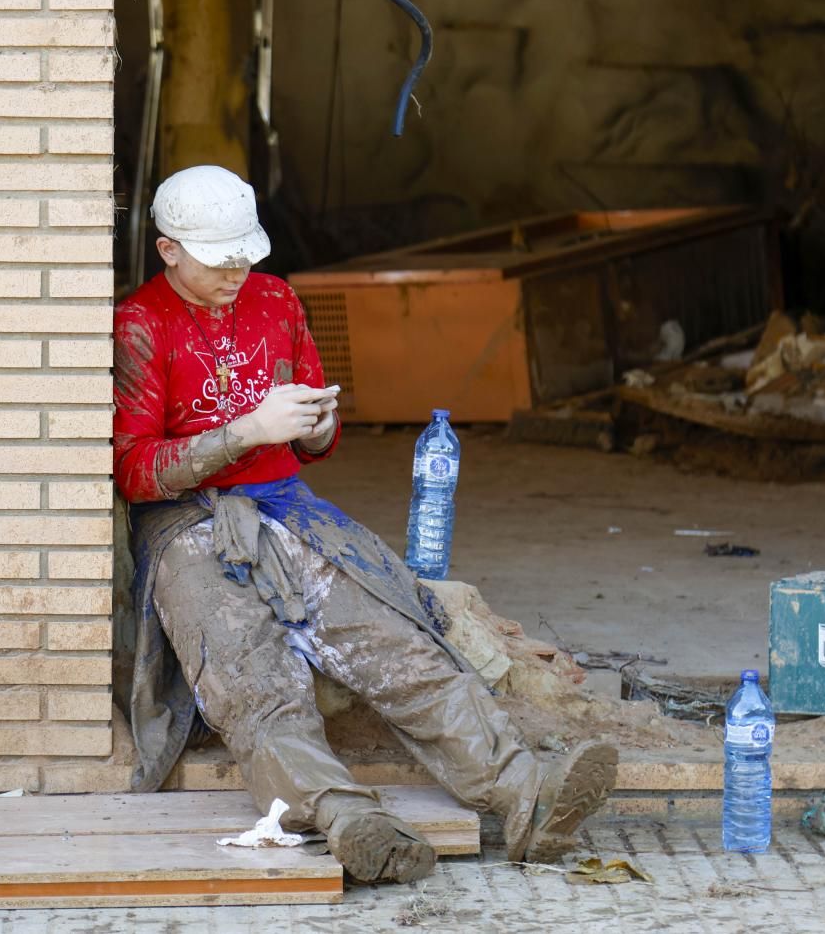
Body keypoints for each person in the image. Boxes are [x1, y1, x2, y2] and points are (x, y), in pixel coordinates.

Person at [114, 165, 618, 884]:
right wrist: (245, 430)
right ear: (168, 251)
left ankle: (528, 797)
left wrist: (316, 428)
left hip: (289, 508)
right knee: (256, 684)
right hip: (188, 528)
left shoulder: (276, 300)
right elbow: (134, 471)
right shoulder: (140, 324)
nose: (236, 271)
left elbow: (319, 439)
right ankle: (350, 821)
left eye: (244, 254)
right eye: (219, 258)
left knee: (401, 649)